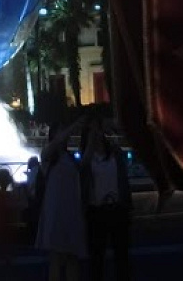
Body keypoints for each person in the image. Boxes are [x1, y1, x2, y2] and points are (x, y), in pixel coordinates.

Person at [34, 118, 88, 281]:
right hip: (55, 210)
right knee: (57, 257)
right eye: (61, 130)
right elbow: (58, 141)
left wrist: (93, 136)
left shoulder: (69, 158)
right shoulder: (48, 155)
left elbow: (84, 164)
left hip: (71, 209)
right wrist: (73, 126)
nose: (65, 135)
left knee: (72, 256)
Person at [80, 117, 131, 281]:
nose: (96, 135)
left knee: (122, 255)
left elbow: (123, 180)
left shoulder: (115, 153)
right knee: (97, 257)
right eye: (92, 132)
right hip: (97, 211)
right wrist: (90, 142)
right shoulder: (88, 158)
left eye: (98, 131)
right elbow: (83, 167)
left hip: (116, 207)